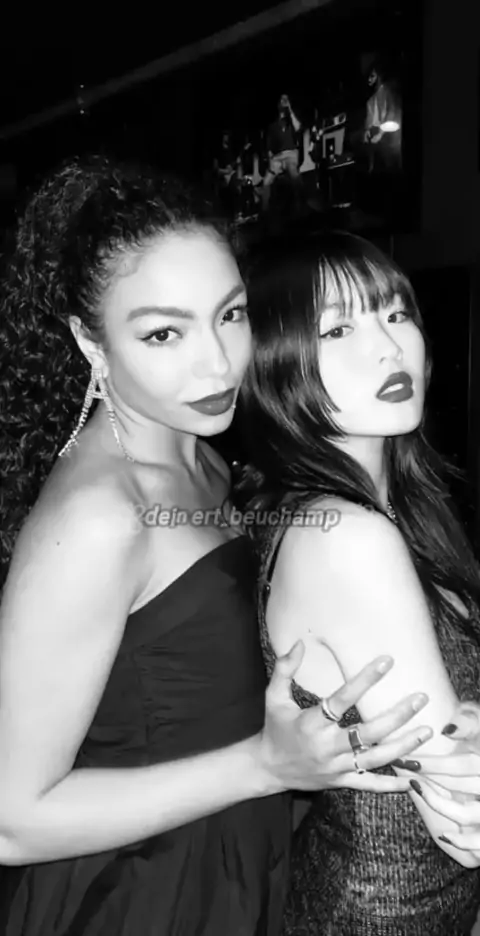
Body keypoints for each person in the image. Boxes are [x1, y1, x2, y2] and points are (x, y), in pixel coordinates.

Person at [0, 157, 431, 936]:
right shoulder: (99, 517)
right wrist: (261, 766)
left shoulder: (200, 454)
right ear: (89, 343)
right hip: (139, 893)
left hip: (236, 855)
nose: (217, 362)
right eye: (163, 333)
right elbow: (10, 820)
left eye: (230, 315)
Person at [237, 230, 480, 935]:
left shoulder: (395, 505)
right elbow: (465, 823)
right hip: (382, 914)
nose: (388, 347)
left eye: (396, 313)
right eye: (338, 329)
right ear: (276, 364)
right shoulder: (346, 537)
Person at [261, 94, 303, 214]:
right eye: (282, 100)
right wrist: (271, 161)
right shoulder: (273, 126)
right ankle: (264, 211)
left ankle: (300, 207)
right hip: (277, 157)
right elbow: (269, 148)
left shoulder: (291, 121)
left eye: (286, 99)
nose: (284, 101)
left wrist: (290, 109)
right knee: (266, 181)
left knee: (295, 177)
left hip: (290, 154)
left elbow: (298, 127)